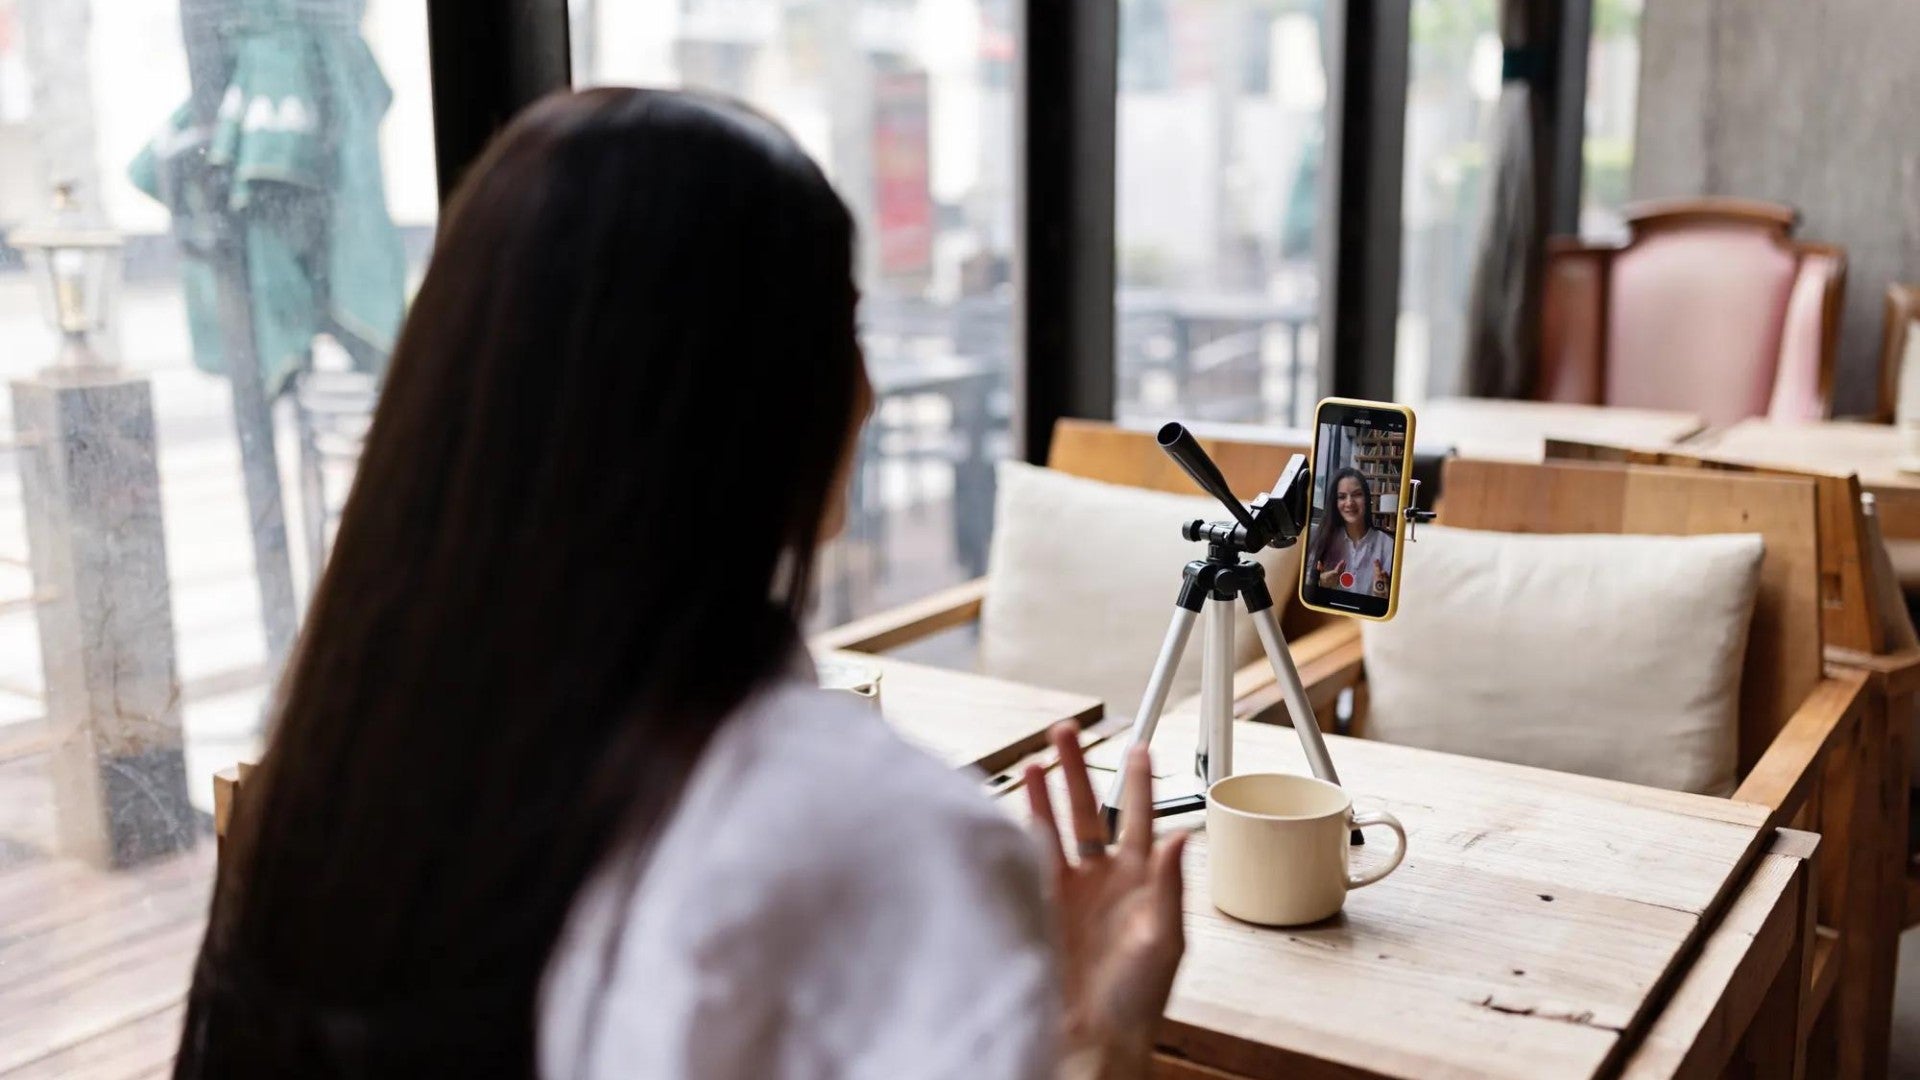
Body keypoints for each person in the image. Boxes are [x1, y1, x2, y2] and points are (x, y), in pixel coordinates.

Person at [172, 87, 1188, 1080]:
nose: (869, 394)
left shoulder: (336, 785)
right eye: (842, 329)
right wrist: (1097, 1041)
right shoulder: (891, 848)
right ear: (738, 403)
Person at [1311, 467, 1394, 596]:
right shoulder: (1323, 539)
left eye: (1357, 494)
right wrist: (1320, 584)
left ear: (1366, 499)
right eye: (1342, 497)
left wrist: (1382, 594)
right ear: (1335, 502)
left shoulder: (1388, 544)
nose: (1349, 502)